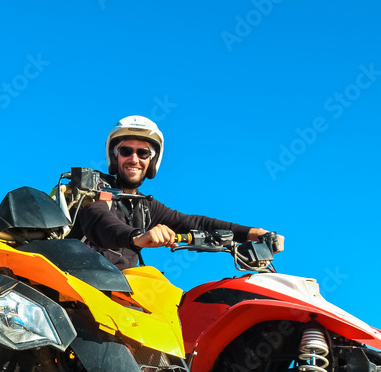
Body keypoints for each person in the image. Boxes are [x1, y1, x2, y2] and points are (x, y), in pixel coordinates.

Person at [70, 115, 283, 270]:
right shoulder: (94, 187)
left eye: (143, 152)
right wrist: (137, 236)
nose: (134, 159)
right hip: (80, 286)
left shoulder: (145, 206)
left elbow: (195, 223)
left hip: (124, 292)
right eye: (126, 151)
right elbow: (100, 220)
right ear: (114, 156)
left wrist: (254, 232)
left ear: (152, 160)